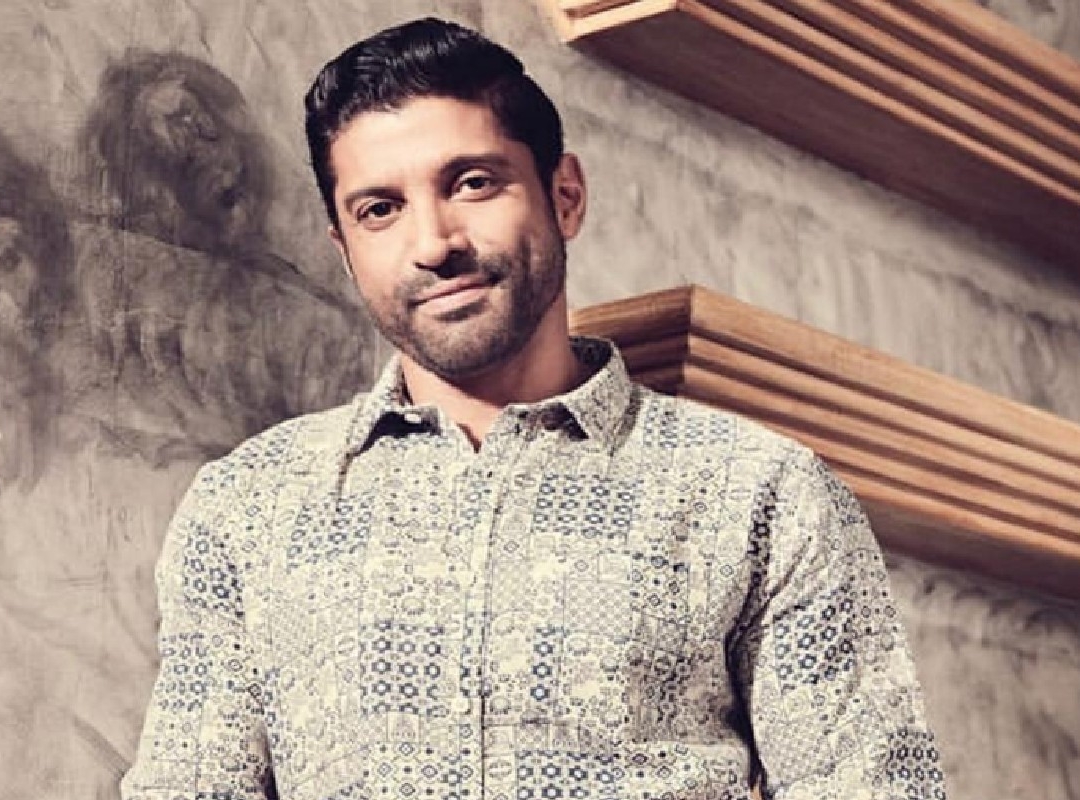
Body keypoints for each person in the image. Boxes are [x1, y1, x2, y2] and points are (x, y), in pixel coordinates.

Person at [121, 17, 948, 800]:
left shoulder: (760, 493)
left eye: (473, 183)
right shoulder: (248, 509)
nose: (434, 243)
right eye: (380, 209)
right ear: (344, 249)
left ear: (566, 196)